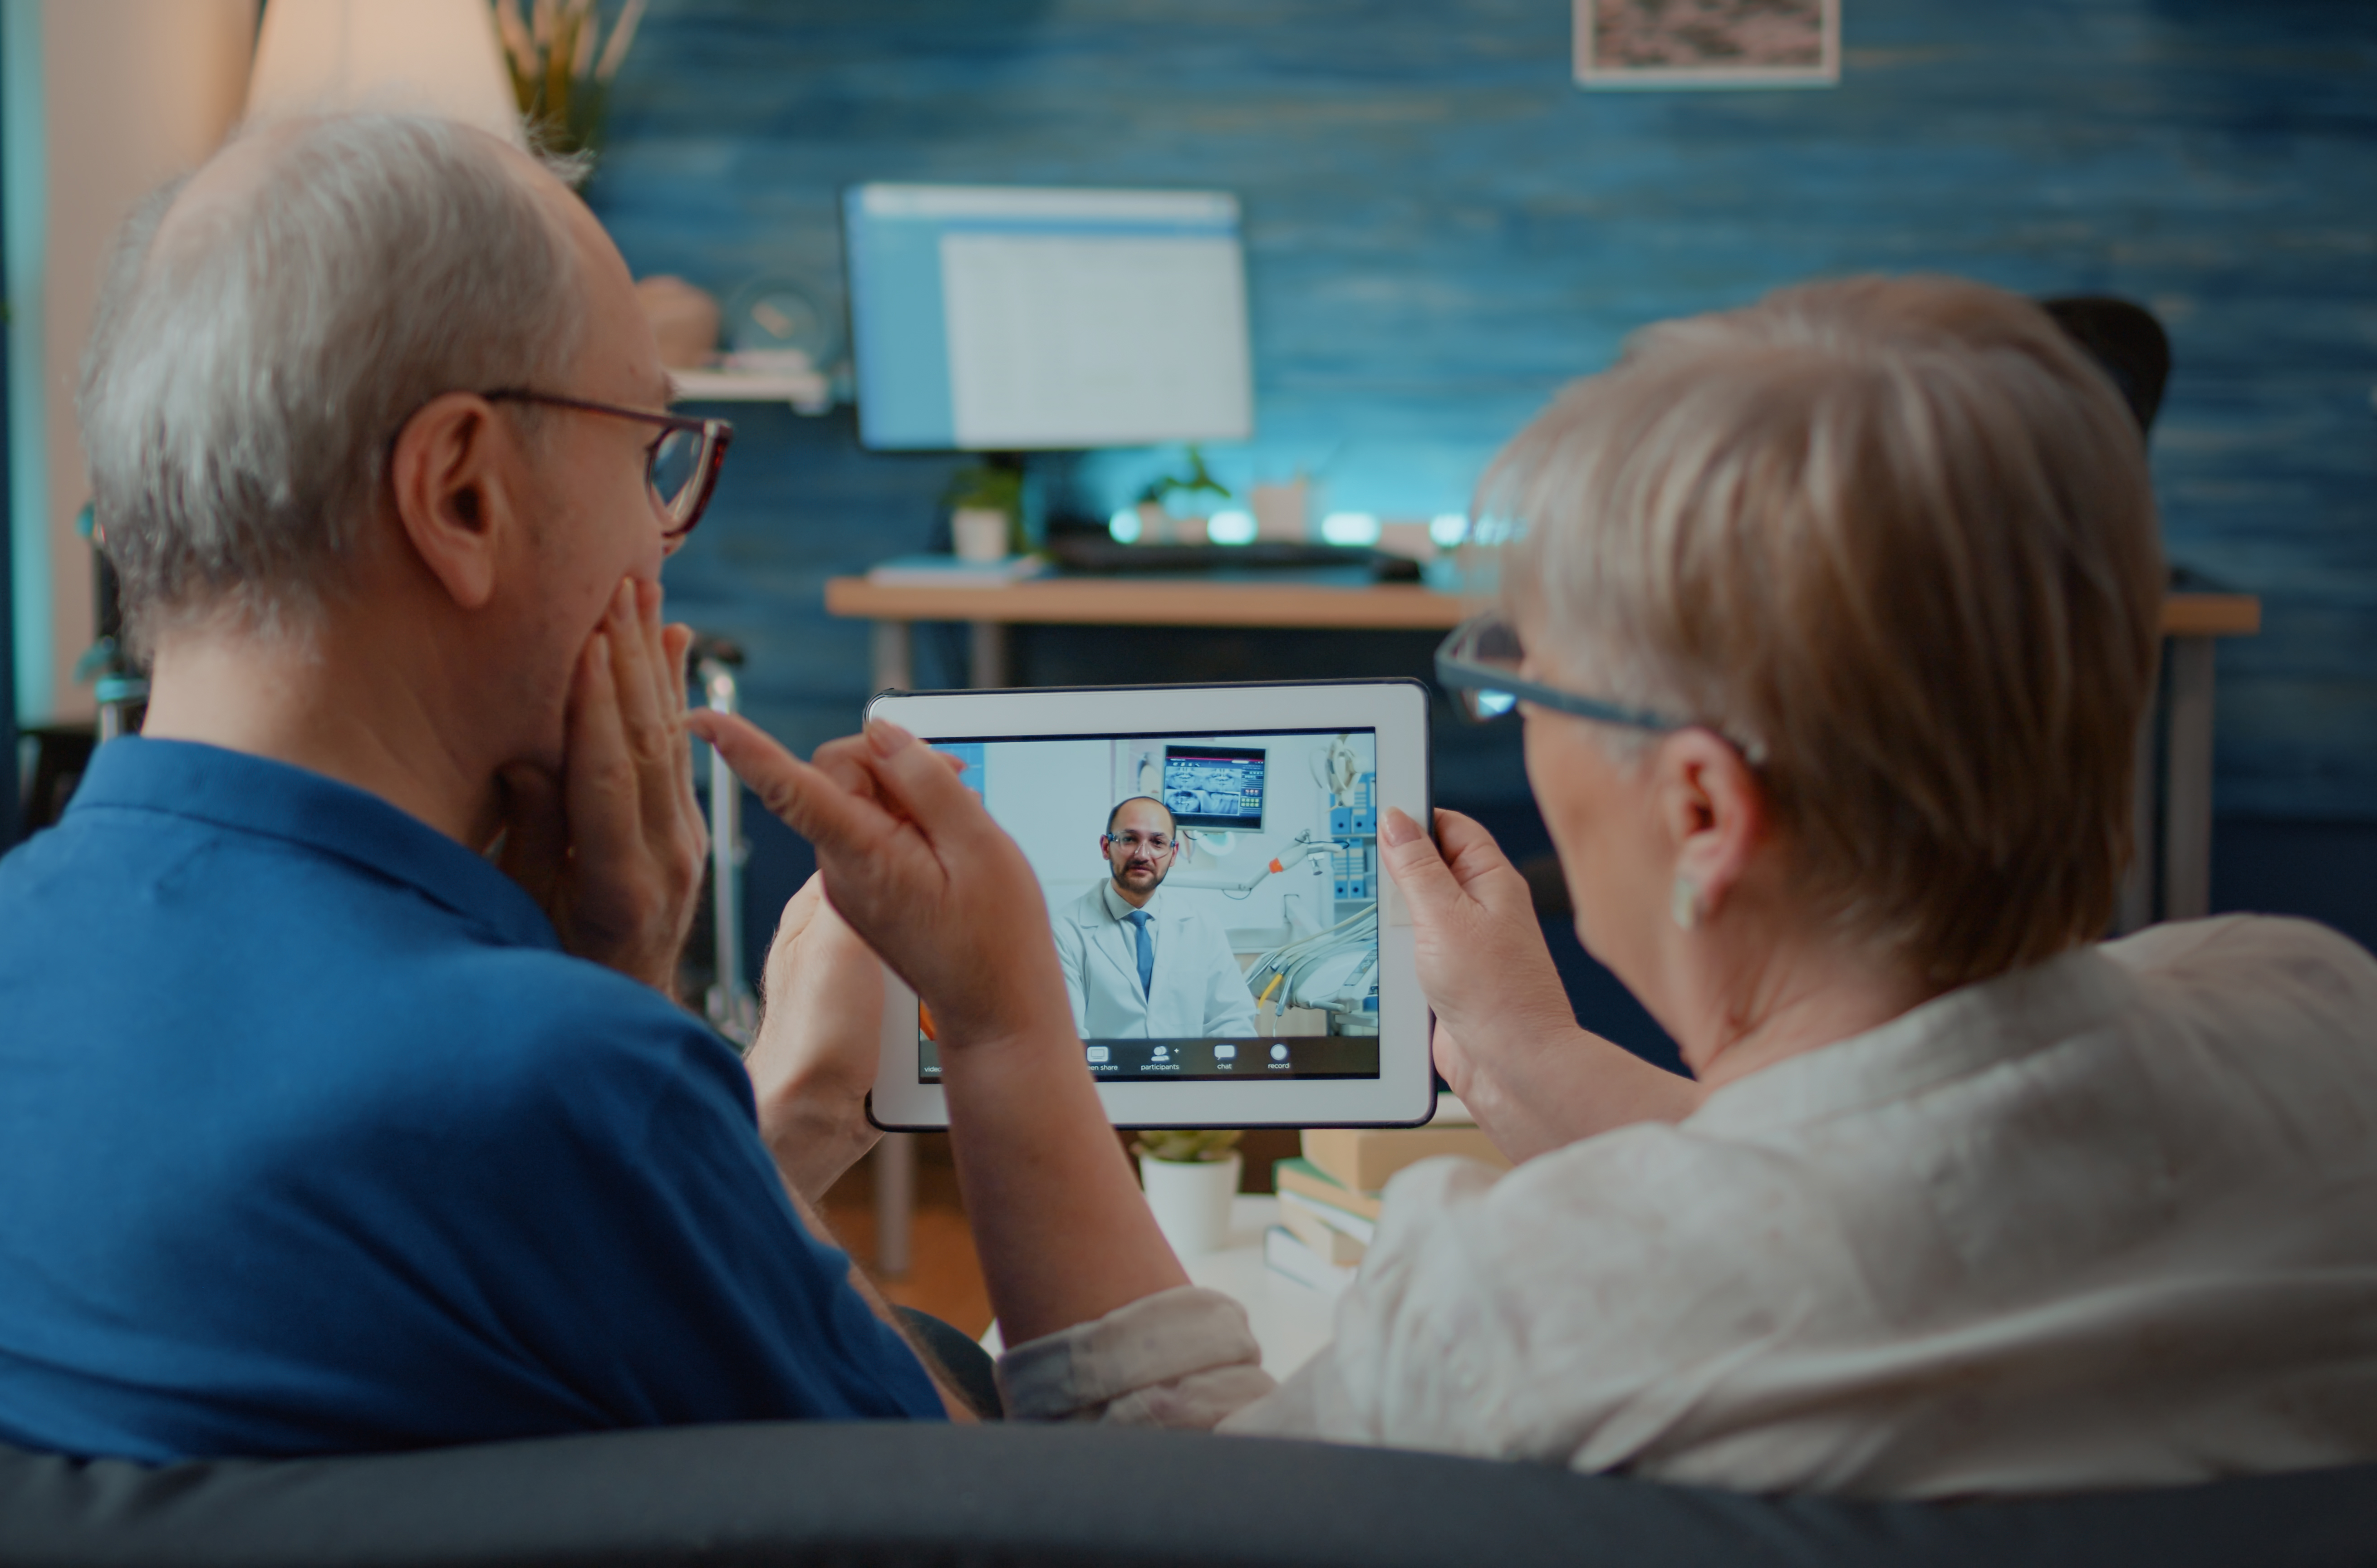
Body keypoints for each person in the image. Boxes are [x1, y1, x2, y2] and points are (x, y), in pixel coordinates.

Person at [695, 274, 2377, 1496]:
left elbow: (1172, 1502)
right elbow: (1901, 1159)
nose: (1514, 719)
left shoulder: (1537, 1302)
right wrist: (1518, 1053)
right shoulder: (2316, 1023)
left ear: (1703, 804)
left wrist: (987, 1035)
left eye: (1526, 683)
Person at [0, 113, 968, 1460]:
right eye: (648, 455)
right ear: (459, 495)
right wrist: (647, 1007)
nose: (659, 537)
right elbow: (971, 1515)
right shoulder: (561, 1084)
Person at [1053, 795, 1259, 1040]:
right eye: (1129, 839)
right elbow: (1066, 1037)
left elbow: (1232, 1020)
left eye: (1157, 842)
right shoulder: (1064, 931)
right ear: (1106, 847)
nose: (1142, 854)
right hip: (1103, 1077)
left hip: (1189, 1076)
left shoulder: (1203, 926)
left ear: (1173, 855)